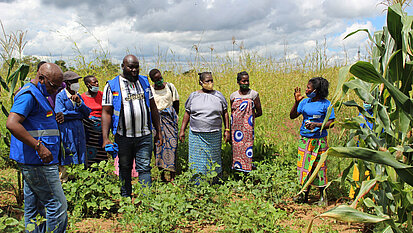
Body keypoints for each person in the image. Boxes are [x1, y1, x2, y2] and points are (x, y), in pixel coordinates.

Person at [6, 63, 68, 232]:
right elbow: (12, 123)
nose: (55, 91)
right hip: (38, 161)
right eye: (53, 87)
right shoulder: (28, 95)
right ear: (41, 78)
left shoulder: (40, 94)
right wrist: (39, 146)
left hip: (37, 161)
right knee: (58, 206)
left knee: (34, 209)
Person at [101, 54, 162, 197]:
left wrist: (158, 131)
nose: (134, 70)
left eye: (136, 67)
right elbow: (106, 112)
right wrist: (105, 138)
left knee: (145, 168)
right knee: (124, 167)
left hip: (144, 135)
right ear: (123, 67)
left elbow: (153, 108)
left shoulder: (144, 82)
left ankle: (147, 199)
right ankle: (126, 198)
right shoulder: (112, 85)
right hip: (123, 136)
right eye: (130, 67)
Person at [290, 77, 335, 205]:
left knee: (319, 167)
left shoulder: (326, 104)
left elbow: (331, 123)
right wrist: (296, 102)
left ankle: (322, 196)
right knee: (304, 167)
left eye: (309, 88)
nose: (306, 90)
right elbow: (292, 116)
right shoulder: (304, 102)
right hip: (305, 140)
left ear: (317, 90)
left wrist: (317, 125)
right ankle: (304, 195)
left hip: (319, 140)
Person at [179, 72, 230, 183]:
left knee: (214, 158)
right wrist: (182, 130)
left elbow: (225, 113)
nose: (210, 83)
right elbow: (187, 113)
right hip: (196, 134)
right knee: (197, 159)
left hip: (214, 134)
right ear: (201, 82)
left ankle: (214, 181)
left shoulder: (218, 95)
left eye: (211, 80)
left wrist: (227, 130)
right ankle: (197, 182)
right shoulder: (194, 96)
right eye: (207, 81)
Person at [55, 71, 91, 168]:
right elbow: (61, 113)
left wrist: (79, 103)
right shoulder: (61, 96)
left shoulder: (78, 96)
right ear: (67, 83)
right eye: (74, 81)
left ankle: (81, 175)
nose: (76, 84)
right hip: (67, 129)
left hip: (79, 128)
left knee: (81, 151)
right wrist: (79, 115)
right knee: (70, 150)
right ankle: (69, 177)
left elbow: (87, 112)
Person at [149, 68, 180, 182]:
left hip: (170, 120)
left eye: (160, 78)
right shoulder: (150, 90)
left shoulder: (170, 87)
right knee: (158, 147)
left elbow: (176, 103)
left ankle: (172, 175)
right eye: (156, 79)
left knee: (173, 146)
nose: (160, 81)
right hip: (156, 122)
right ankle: (162, 176)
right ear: (152, 80)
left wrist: (174, 117)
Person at [230, 71, 262, 173]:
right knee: (237, 150)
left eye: (247, 81)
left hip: (247, 129)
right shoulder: (233, 96)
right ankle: (237, 170)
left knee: (247, 149)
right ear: (238, 82)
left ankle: (247, 170)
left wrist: (249, 119)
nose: (246, 83)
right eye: (243, 81)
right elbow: (232, 112)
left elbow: (259, 112)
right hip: (236, 130)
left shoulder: (253, 94)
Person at [81, 75, 108, 167]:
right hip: (89, 129)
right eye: (94, 83)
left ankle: (103, 170)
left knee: (102, 150)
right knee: (90, 151)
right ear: (88, 85)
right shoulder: (83, 97)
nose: (97, 84)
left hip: (102, 128)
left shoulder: (102, 95)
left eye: (97, 82)